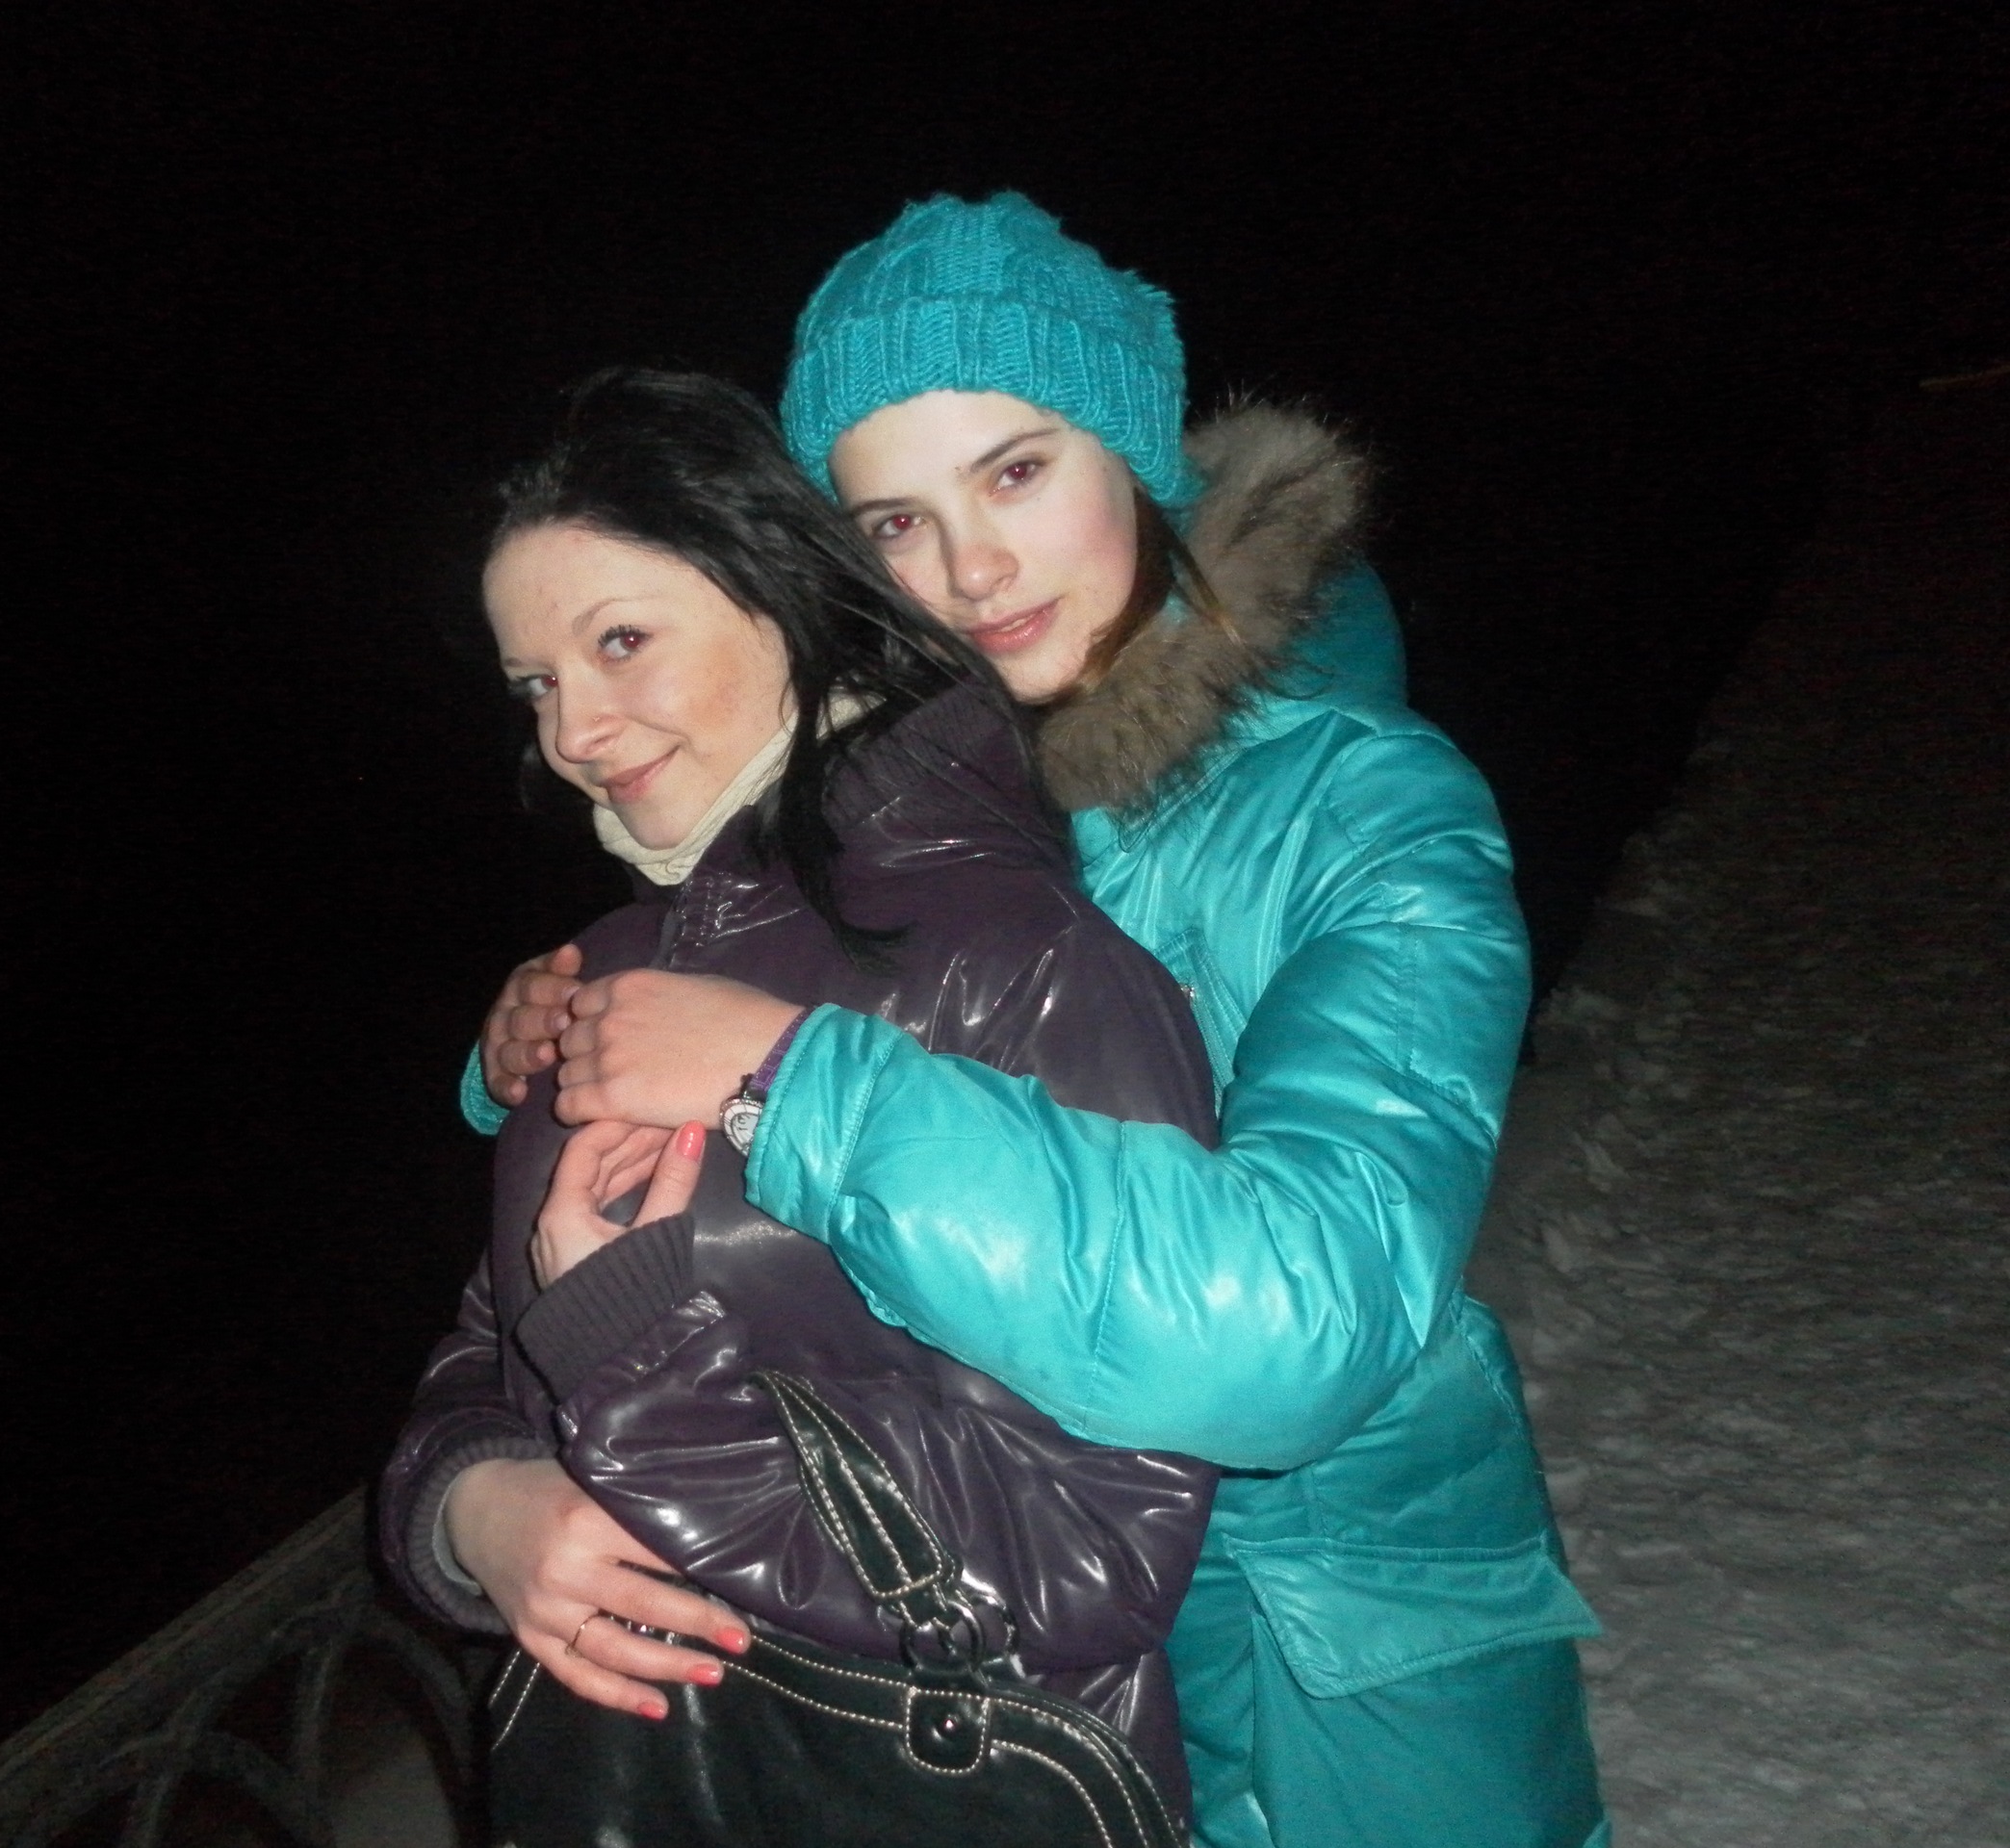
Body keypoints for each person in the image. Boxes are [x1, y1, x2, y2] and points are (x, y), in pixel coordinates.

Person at [469, 197, 1610, 1848]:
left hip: (1337, 1661)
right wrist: (476, 1474)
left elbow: (1308, 1320)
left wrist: (794, 1077)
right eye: (897, 520)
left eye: (1016, 472)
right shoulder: (898, 823)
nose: (973, 569)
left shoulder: (1368, 811)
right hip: (1011, 1684)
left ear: (1134, 456)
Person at [377, 368, 1230, 1826]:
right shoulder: (610, 967)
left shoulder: (1017, 959)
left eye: (621, 641)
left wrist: (649, 1385)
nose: (572, 731)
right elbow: (491, 1340)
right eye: (537, 684)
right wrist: (474, 1504)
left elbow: (1101, 1546)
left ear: (783, 598)